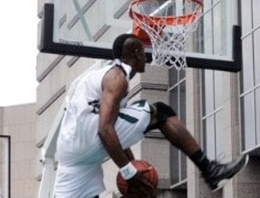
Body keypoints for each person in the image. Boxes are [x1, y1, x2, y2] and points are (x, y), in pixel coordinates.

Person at [53, 34, 248, 198]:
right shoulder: (117, 77)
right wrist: (128, 171)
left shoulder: (101, 77)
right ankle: (210, 170)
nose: (146, 57)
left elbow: (116, 134)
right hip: (89, 136)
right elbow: (105, 130)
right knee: (160, 112)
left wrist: (130, 165)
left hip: (69, 158)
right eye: (143, 52)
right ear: (136, 53)